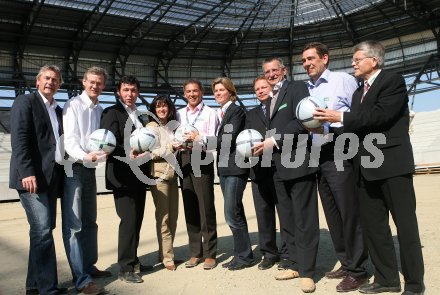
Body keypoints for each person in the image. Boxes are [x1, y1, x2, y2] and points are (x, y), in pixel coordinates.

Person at [314, 40, 425, 295]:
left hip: (393, 166)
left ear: (373, 60)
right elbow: (357, 125)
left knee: (405, 227)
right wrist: (330, 127)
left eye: (357, 59)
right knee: (375, 228)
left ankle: (414, 284)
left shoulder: (392, 81)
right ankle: (387, 279)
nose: (353, 63)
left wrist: (339, 116)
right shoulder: (356, 93)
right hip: (364, 169)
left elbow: (380, 116)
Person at [301, 42, 369, 292]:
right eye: (304, 61)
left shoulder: (343, 80)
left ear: (325, 58)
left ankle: (359, 270)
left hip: (341, 147)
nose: (307, 63)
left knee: (348, 211)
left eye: (311, 58)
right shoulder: (307, 89)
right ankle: (346, 260)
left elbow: (359, 114)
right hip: (318, 151)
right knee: (332, 212)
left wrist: (332, 125)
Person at [253, 57, 318, 293]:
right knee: (288, 219)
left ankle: (308, 272)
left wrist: (274, 140)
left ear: (284, 70)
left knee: (305, 219)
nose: (270, 74)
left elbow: (303, 120)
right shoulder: (271, 97)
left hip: (299, 163)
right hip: (277, 168)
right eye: (266, 71)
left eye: (274, 70)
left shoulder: (297, 88)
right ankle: (295, 264)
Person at [10, 65, 66, 295]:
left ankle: (34, 285)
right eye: (46, 78)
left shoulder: (58, 109)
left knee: (42, 230)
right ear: (38, 81)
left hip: (50, 178)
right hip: (31, 178)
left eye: (55, 79)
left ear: (59, 85)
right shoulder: (25, 102)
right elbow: (20, 139)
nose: (50, 82)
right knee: (42, 230)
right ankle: (47, 288)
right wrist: (27, 172)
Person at [62, 66, 110, 294]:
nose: (95, 85)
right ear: (84, 82)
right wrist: (85, 155)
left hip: (89, 168)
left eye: (99, 83)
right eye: (91, 81)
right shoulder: (73, 105)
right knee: (74, 226)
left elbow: (99, 140)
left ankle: (89, 266)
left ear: (103, 85)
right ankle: (81, 280)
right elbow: (69, 141)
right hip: (74, 167)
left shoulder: (99, 108)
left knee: (91, 220)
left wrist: (101, 153)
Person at [100, 75, 152, 283]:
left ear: (137, 93)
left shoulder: (138, 115)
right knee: (128, 220)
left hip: (138, 176)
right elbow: (108, 142)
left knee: (136, 220)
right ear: (119, 92)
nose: (130, 94)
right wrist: (128, 152)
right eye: (126, 90)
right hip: (122, 176)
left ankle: (134, 261)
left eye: (133, 90)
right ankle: (125, 268)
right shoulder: (112, 112)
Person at [207, 77, 254, 270]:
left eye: (221, 90)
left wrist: (200, 140)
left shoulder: (236, 111)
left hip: (236, 168)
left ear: (231, 92)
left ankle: (244, 256)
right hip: (226, 168)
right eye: (216, 90)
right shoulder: (223, 112)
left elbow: (227, 139)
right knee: (236, 212)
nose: (218, 93)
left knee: (231, 213)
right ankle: (244, 254)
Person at [246, 76, 289, 270]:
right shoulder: (251, 114)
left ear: (272, 88)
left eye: (264, 87)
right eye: (257, 89)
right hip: (259, 170)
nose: (261, 91)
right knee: (263, 214)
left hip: (280, 167)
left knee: (285, 212)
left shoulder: (280, 109)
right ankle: (269, 253)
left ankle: (288, 252)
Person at [177, 79, 219, 270]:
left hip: (202, 158)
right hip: (184, 159)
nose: (192, 94)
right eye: (188, 91)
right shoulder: (179, 114)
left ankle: (210, 253)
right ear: (184, 93)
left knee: (205, 206)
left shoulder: (211, 113)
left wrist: (198, 139)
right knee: (190, 205)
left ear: (201, 92)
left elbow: (214, 141)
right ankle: (195, 251)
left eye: (195, 91)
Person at [145, 95, 180, 271]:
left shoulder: (171, 127)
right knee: (164, 217)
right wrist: (171, 148)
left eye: (164, 106)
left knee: (173, 216)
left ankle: (166, 251)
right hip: (159, 176)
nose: (161, 109)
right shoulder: (151, 127)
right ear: (153, 110)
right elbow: (150, 152)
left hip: (173, 176)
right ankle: (167, 257)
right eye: (158, 107)